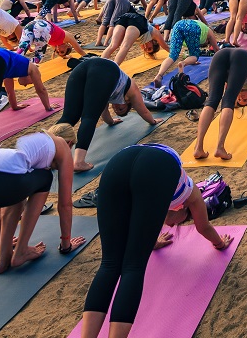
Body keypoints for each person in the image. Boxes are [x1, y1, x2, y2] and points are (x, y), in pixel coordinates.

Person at [78, 143, 232, 338]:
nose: (172, 227)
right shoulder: (191, 193)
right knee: (132, 267)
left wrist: (151, 241)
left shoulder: (171, 190)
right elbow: (204, 227)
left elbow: (138, 218)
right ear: (181, 209)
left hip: (119, 162)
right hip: (156, 166)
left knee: (109, 264)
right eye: (179, 223)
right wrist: (220, 243)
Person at [0, 128, 87, 273]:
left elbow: (4, 195)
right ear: (69, 143)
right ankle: (20, 251)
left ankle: (2, 251)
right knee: (44, 178)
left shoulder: (30, 141)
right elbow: (65, 204)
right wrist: (66, 245)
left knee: (15, 184)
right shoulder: (60, 145)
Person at [192, 47, 247, 161]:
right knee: (227, 100)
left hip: (221, 55)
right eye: (245, 100)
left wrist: (235, 103)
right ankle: (219, 147)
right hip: (242, 56)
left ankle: (198, 148)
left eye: (240, 100)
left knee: (212, 100)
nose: (241, 97)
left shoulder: (236, 86)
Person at [152, 14, 218, 86]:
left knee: (172, 55)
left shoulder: (201, 28)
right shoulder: (209, 32)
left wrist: (191, 61)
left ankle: (159, 75)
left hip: (178, 25)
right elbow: (217, 50)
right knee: (195, 55)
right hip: (193, 27)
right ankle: (183, 63)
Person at [100, 11, 168, 63]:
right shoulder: (154, 34)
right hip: (137, 20)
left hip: (124, 18)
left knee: (114, 45)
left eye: (145, 49)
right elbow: (165, 47)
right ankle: (111, 69)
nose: (145, 47)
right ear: (154, 43)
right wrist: (176, 54)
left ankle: (99, 66)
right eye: (149, 48)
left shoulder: (143, 37)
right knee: (124, 47)